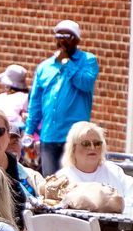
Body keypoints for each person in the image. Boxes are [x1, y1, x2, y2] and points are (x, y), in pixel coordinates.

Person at [23, 20, 99, 177]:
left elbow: (85, 83)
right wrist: (29, 132)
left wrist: (66, 62)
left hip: (75, 138)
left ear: (77, 40)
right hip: (49, 136)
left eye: (68, 35)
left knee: (74, 182)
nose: (62, 39)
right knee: (50, 182)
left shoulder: (88, 61)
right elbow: (36, 102)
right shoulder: (45, 67)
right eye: (59, 35)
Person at [57, 120, 133, 207]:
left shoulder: (115, 171)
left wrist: (113, 205)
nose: (92, 148)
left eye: (97, 143)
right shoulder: (63, 178)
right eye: (85, 144)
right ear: (73, 149)